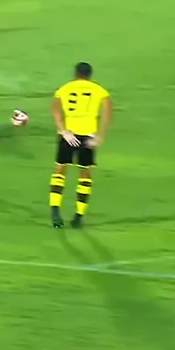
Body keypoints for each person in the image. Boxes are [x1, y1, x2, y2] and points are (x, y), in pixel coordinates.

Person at [49, 62, 113, 229]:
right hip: (88, 136)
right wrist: (100, 135)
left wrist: (63, 130)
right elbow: (108, 111)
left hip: (69, 135)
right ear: (90, 75)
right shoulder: (99, 90)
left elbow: (55, 109)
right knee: (85, 174)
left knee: (60, 170)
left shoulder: (65, 88)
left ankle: (55, 210)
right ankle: (79, 216)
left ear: (75, 73)